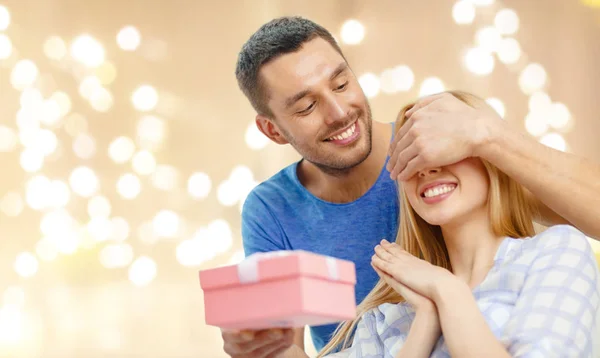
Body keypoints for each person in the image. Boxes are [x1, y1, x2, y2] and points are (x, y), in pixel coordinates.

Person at [224, 16, 600, 358]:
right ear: (272, 129)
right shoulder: (273, 211)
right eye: (307, 107)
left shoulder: (455, 160)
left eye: (341, 83)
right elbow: (280, 348)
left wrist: (488, 136)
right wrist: (259, 348)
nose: (339, 113)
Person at [315, 91, 600, 357]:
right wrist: (426, 319)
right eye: (409, 153)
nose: (426, 166)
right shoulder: (384, 318)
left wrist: (449, 292)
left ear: (492, 156)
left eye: (444, 147)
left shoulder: (555, 253)